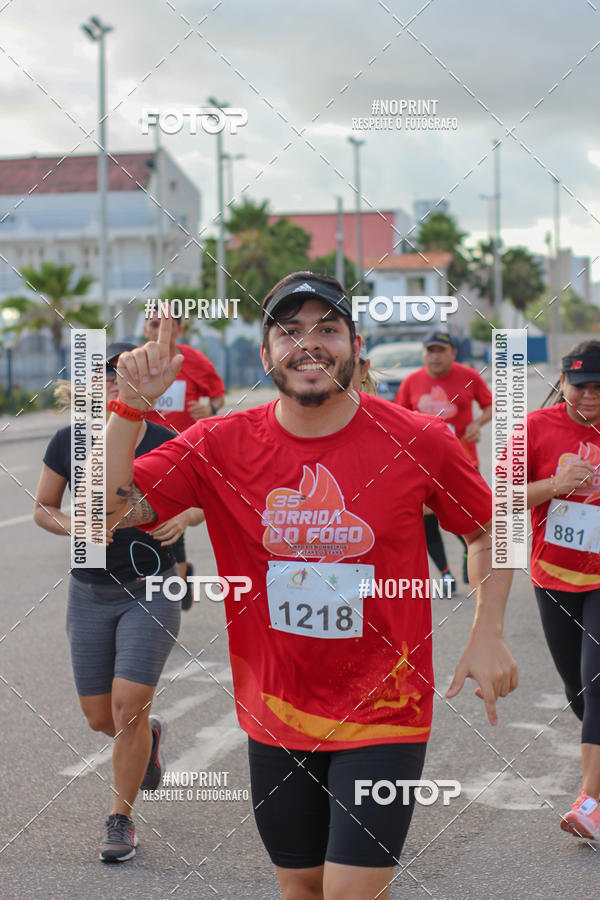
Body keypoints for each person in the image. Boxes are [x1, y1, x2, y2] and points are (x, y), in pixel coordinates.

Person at [105, 272, 517, 899]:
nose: (309, 343)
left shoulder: (420, 440)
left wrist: (488, 630)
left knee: (351, 890)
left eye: (327, 328)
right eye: (289, 330)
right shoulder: (219, 445)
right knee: (301, 884)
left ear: (355, 345)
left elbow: (490, 528)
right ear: (265, 353)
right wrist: (130, 409)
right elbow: (103, 511)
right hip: (276, 711)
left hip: (387, 710)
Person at [33, 342, 191, 863]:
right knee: (100, 716)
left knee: (128, 706)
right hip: (89, 592)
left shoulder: (167, 440)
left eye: (120, 376)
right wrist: (75, 525)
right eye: (103, 377)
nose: (111, 385)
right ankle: (149, 737)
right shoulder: (69, 440)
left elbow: (204, 501)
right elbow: (43, 508)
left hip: (151, 587)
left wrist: (184, 517)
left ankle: (120, 818)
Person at [526, 341, 600, 841]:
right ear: (562, 382)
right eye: (580, 386)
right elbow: (500, 497)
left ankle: (589, 802)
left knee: (597, 685)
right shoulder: (535, 428)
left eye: (599, 387)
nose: (589, 396)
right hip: (553, 575)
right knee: (578, 691)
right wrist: (555, 484)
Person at [395, 330, 493, 591]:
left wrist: (476, 423)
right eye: (431, 350)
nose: (435, 356)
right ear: (424, 354)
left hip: (463, 461)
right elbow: (399, 418)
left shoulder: (469, 376)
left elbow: (490, 406)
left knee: (469, 518)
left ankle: (470, 551)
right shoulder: (411, 382)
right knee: (427, 521)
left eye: (441, 350)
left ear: (453, 353)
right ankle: (445, 574)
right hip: (422, 466)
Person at [143, 309, 224, 604]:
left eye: (165, 324)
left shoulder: (195, 361)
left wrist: (210, 409)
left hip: (181, 453)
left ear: (179, 329)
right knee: (148, 520)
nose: (158, 330)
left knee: (173, 517)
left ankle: (176, 576)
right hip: (143, 453)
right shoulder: (136, 360)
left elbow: (217, 395)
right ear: (145, 328)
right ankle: (177, 572)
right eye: (153, 324)